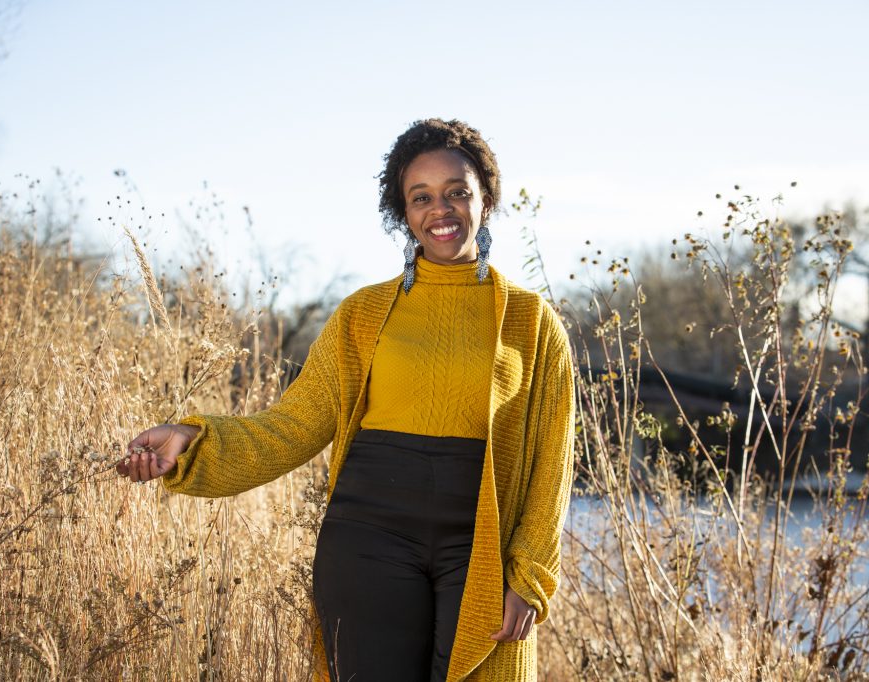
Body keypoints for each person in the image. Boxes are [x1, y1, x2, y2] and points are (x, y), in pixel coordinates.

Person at [117, 118, 576, 681]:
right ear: (402, 212)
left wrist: (530, 578)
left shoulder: (533, 322)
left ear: (485, 199)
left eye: (458, 192)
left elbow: (553, 466)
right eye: (422, 197)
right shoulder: (363, 314)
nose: (442, 210)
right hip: (369, 541)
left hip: (481, 545)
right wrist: (192, 442)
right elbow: (292, 425)